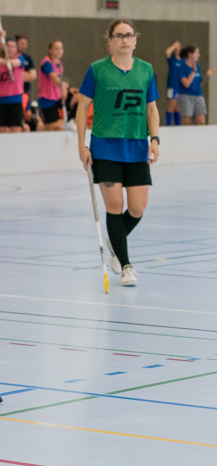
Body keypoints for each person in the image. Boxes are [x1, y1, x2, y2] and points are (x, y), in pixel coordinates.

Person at [75, 19, 160, 288]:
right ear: (110, 41)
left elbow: (151, 109)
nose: (124, 39)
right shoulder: (97, 70)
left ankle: (115, 240)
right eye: (119, 35)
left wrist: (155, 139)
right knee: (115, 207)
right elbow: (81, 108)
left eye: (129, 35)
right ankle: (126, 266)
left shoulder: (146, 70)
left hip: (136, 148)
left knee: (137, 208)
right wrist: (81, 144)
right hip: (105, 148)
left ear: (135, 40)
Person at [0, 37, 27, 133]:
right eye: (8, 46)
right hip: (0, 100)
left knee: (16, 128)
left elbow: (14, 64)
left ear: (16, 49)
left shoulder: (20, 58)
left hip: (15, 99)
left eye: (13, 47)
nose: (10, 49)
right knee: (1, 129)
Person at [177, 44, 214, 125]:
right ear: (190, 54)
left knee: (201, 121)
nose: (198, 55)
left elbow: (199, 84)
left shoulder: (197, 66)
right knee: (186, 121)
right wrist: (193, 72)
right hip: (185, 96)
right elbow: (186, 84)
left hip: (198, 95)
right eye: (196, 53)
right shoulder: (182, 67)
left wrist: (207, 75)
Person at [37, 41, 67, 131]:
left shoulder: (59, 64)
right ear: (50, 50)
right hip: (47, 98)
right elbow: (54, 78)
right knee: (50, 127)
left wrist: (64, 91)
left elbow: (59, 80)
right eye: (56, 49)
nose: (59, 51)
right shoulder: (47, 63)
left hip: (56, 98)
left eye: (61, 49)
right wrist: (63, 85)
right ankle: (40, 127)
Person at [165, 41, 183, 125]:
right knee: (171, 106)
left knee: (178, 107)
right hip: (172, 86)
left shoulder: (183, 60)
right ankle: (168, 125)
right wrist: (174, 46)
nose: (178, 50)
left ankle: (177, 125)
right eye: (176, 49)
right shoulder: (172, 59)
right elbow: (167, 52)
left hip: (181, 87)